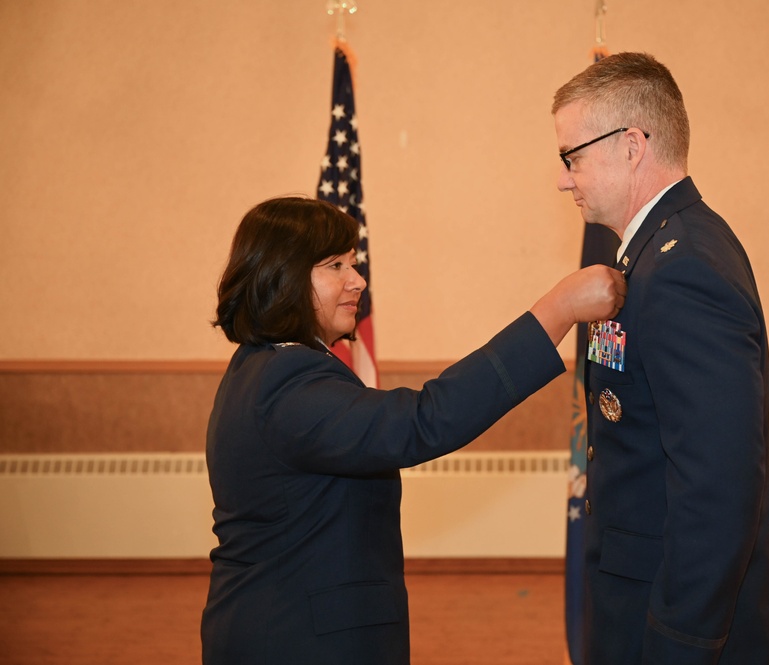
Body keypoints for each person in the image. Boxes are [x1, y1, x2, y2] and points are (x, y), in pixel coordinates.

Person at [200, 196, 626, 664]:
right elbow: (423, 421)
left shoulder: (260, 368)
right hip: (296, 639)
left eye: (354, 262)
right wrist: (557, 311)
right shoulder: (286, 383)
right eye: (335, 265)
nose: (357, 279)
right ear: (282, 276)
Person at [552, 52, 769, 663]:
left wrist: (679, 644)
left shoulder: (683, 266)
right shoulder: (656, 252)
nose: (564, 179)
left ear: (632, 145)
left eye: (573, 157)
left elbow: (718, 486)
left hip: (679, 624)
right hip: (639, 594)